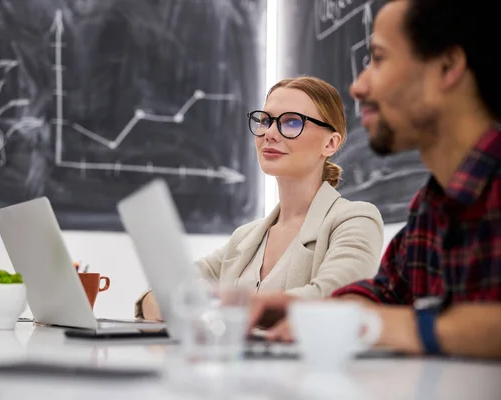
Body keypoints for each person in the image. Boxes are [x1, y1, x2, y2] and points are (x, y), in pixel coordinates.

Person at [247, 0, 501, 359]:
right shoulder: (431, 207)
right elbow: (383, 292)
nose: (358, 86)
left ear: (447, 67)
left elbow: (385, 316)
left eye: (378, 59)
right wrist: (329, 313)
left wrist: (382, 325)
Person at [136, 76, 384, 320]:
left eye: (291, 122)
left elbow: (335, 299)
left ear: (330, 143)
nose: (270, 133)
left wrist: (214, 303)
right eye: (265, 121)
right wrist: (172, 301)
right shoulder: (245, 239)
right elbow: (157, 295)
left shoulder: (355, 220)